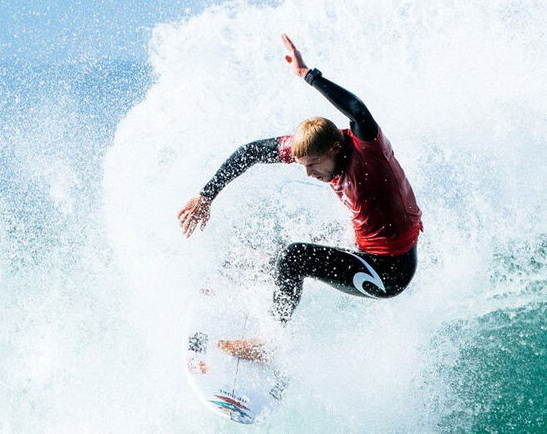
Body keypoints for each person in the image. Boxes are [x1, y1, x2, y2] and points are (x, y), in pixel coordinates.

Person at [177, 34, 423, 361]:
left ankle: (269, 342)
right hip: (364, 248)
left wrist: (308, 74)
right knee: (278, 250)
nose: (308, 174)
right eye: (302, 165)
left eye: (312, 166)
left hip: (388, 272)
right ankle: (267, 280)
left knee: (296, 256)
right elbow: (249, 153)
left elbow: (359, 112)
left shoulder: (369, 156)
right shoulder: (313, 147)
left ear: (335, 147)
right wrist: (206, 195)